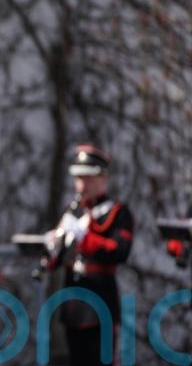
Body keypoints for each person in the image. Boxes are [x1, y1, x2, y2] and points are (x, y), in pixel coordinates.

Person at [49, 144, 133, 366]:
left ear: (103, 178)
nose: (82, 185)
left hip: (100, 300)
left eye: (88, 178)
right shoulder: (73, 211)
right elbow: (56, 261)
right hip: (74, 302)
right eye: (79, 178)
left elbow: (120, 251)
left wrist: (84, 238)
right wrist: (52, 247)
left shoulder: (117, 212)